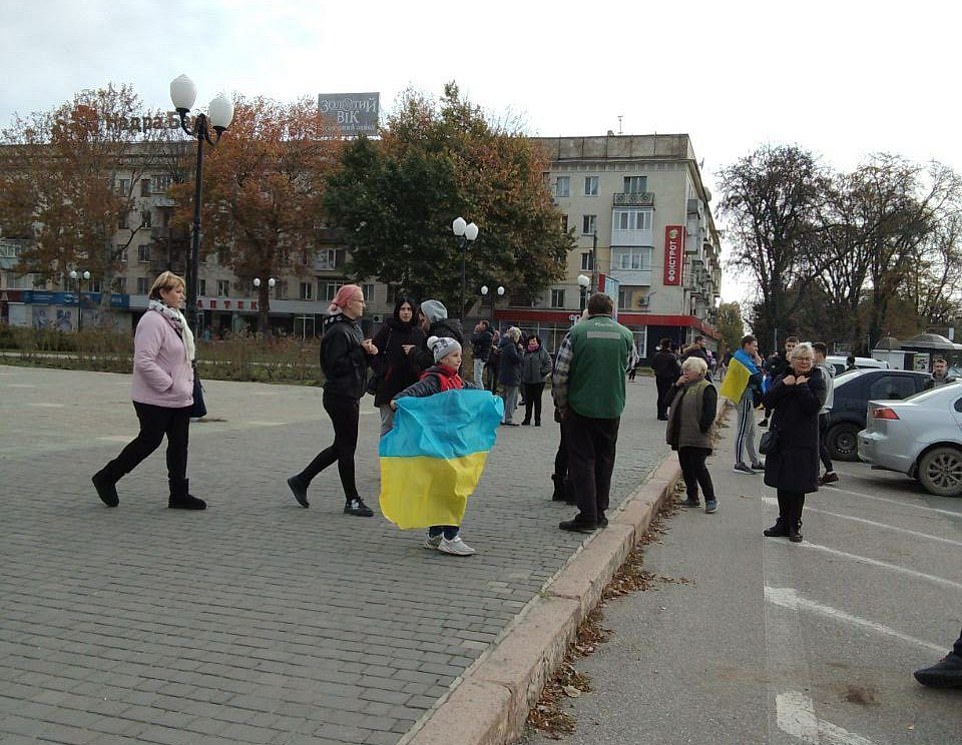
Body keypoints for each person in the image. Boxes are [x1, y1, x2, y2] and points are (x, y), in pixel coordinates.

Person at [91, 271, 206, 510]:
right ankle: (106, 477)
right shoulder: (152, 320)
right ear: (162, 293)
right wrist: (169, 384)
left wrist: (182, 387)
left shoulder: (176, 319)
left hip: (179, 398)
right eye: (177, 291)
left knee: (179, 445)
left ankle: (178, 495)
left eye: (182, 291)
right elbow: (144, 361)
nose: (181, 296)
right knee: (149, 441)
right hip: (154, 397)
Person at [287, 284, 379, 516]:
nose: (364, 304)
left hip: (350, 394)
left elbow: (355, 360)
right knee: (346, 448)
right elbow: (333, 367)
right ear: (347, 303)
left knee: (341, 446)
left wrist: (367, 353)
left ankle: (301, 480)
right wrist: (360, 352)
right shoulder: (338, 331)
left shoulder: (352, 328)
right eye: (360, 300)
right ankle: (352, 500)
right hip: (340, 396)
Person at [390, 336, 479, 556]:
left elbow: (471, 389)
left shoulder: (455, 380)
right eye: (455, 355)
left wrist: (486, 398)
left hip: (451, 444)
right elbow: (414, 391)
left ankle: (435, 535)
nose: (459, 359)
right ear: (442, 358)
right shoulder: (435, 379)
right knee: (454, 491)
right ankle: (450, 536)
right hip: (440, 446)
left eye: (459, 355)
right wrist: (398, 400)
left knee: (443, 490)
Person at [553, 292, 634, 532]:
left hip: (580, 408)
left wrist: (562, 405)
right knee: (604, 460)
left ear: (589, 309)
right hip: (612, 408)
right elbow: (630, 364)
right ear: (611, 310)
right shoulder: (626, 334)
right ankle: (600, 511)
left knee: (582, 461)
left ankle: (587, 515)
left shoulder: (576, 333)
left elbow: (559, 374)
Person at [761, 342, 826, 543]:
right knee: (782, 482)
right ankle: (782, 521)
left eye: (808, 359)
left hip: (803, 441)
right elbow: (768, 401)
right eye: (801, 358)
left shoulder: (816, 380)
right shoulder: (784, 377)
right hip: (782, 439)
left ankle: (795, 524)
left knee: (797, 485)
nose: (805, 362)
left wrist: (802, 387)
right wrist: (784, 385)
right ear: (793, 360)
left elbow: (813, 406)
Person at [666, 356, 718, 512]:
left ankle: (710, 498)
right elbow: (667, 401)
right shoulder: (683, 387)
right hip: (682, 435)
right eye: (684, 370)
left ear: (698, 371)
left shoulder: (706, 387)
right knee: (686, 467)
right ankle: (692, 496)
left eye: (688, 370)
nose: (685, 372)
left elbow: (710, 411)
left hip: (698, 436)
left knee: (699, 467)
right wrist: (676, 385)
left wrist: (702, 427)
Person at [371, 295, 425, 436]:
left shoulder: (419, 333)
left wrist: (415, 352)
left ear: (414, 312)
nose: (406, 312)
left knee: (409, 428)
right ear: (397, 311)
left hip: (412, 388)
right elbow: (373, 352)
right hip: (389, 387)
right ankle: (386, 457)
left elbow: (426, 358)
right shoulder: (388, 330)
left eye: (409, 309)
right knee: (388, 426)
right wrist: (383, 370)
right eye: (402, 309)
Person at [719, 334, 766, 476]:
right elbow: (757, 378)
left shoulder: (743, 358)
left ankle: (755, 461)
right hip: (744, 396)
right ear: (747, 345)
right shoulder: (742, 360)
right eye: (754, 345)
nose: (756, 349)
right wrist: (759, 364)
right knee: (743, 431)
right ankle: (739, 462)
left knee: (751, 432)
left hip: (747, 396)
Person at [812, 342, 838, 485]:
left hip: (820, 412)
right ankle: (829, 470)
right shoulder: (829, 370)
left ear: (820, 354)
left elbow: (819, 394)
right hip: (827, 411)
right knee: (820, 444)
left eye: (813, 353)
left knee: (815, 444)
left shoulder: (821, 372)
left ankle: (815, 475)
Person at [760, 336, 797, 427]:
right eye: (789, 346)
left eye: (793, 346)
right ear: (785, 346)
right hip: (779, 385)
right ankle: (767, 418)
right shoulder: (779, 357)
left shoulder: (800, 359)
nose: (791, 348)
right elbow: (771, 369)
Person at [520, 334, 552, 426]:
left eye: (534, 340)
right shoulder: (525, 351)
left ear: (537, 341)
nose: (532, 342)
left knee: (537, 401)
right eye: (531, 340)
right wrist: (523, 373)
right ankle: (527, 419)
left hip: (539, 381)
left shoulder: (542, 351)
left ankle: (537, 420)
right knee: (528, 401)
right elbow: (521, 363)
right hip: (527, 380)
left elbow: (549, 364)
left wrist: (542, 372)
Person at [651, 337, 681, 421]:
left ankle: (659, 413)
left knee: (660, 395)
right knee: (666, 395)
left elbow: (653, 365)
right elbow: (676, 369)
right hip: (668, 378)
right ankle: (663, 413)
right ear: (669, 346)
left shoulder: (657, 355)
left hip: (659, 377)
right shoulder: (671, 356)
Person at [498, 326, 523, 425]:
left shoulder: (504, 344)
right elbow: (516, 359)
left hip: (504, 374)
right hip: (512, 375)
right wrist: (520, 351)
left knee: (504, 397)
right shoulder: (511, 346)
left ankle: (501, 417)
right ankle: (509, 418)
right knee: (511, 398)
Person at [471, 320, 494, 386]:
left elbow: (474, 340)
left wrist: (475, 331)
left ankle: (481, 392)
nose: (478, 325)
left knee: (477, 378)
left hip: (480, 357)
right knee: (477, 377)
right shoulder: (484, 334)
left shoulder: (486, 334)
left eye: (480, 324)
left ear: (484, 325)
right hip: (480, 356)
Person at [484, 329, 501, 393]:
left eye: (496, 335)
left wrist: (497, 350)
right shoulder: (490, 343)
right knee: (489, 378)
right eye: (494, 335)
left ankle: (494, 391)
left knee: (495, 379)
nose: (495, 337)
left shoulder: (500, 343)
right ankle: (489, 390)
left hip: (497, 363)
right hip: (490, 363)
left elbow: (501, 352)